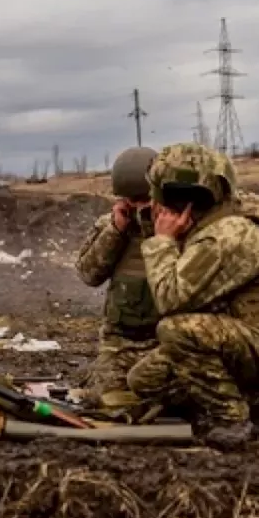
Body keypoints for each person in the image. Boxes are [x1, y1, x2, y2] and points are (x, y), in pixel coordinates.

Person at [126, 142, 259, 448]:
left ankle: (231, 417)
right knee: (144, 380)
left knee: (176, 331)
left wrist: (162, 241)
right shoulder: (217, 217)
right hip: (245, 333)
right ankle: (257, 398)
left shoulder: (226, 235)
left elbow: (169, 299)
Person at [75, 146, 160, 411]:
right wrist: (116, 231)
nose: (138, 208)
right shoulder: (111, 225)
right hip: (120, 344)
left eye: (145, 200)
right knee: (109, 399)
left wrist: (162, 232)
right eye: (131, 200)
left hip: (166, 341)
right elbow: (88, 274)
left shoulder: (180, 226)